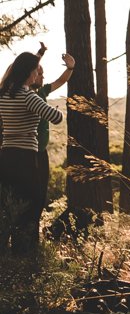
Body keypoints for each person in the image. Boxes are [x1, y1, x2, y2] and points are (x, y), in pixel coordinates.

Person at [0, 50, 64, 253]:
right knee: (30, 206)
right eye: (36, 70)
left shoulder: (3, 93)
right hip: (26, 158)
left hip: (6, 155)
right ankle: (23, 254)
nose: (38, 74)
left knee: (7, 205)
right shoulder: (28, 95)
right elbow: (55, 117)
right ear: (29, 72)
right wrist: (56, 107)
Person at [31, 44, 75, 215]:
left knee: (40, 193)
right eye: (39, 74)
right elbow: (25, 65)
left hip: (41, 153)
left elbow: (61, 81)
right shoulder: (23, 95)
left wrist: (70, 67)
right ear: (31, 75)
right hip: (27, 154)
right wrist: (40, 53)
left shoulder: (42, 92)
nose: (43, 77)